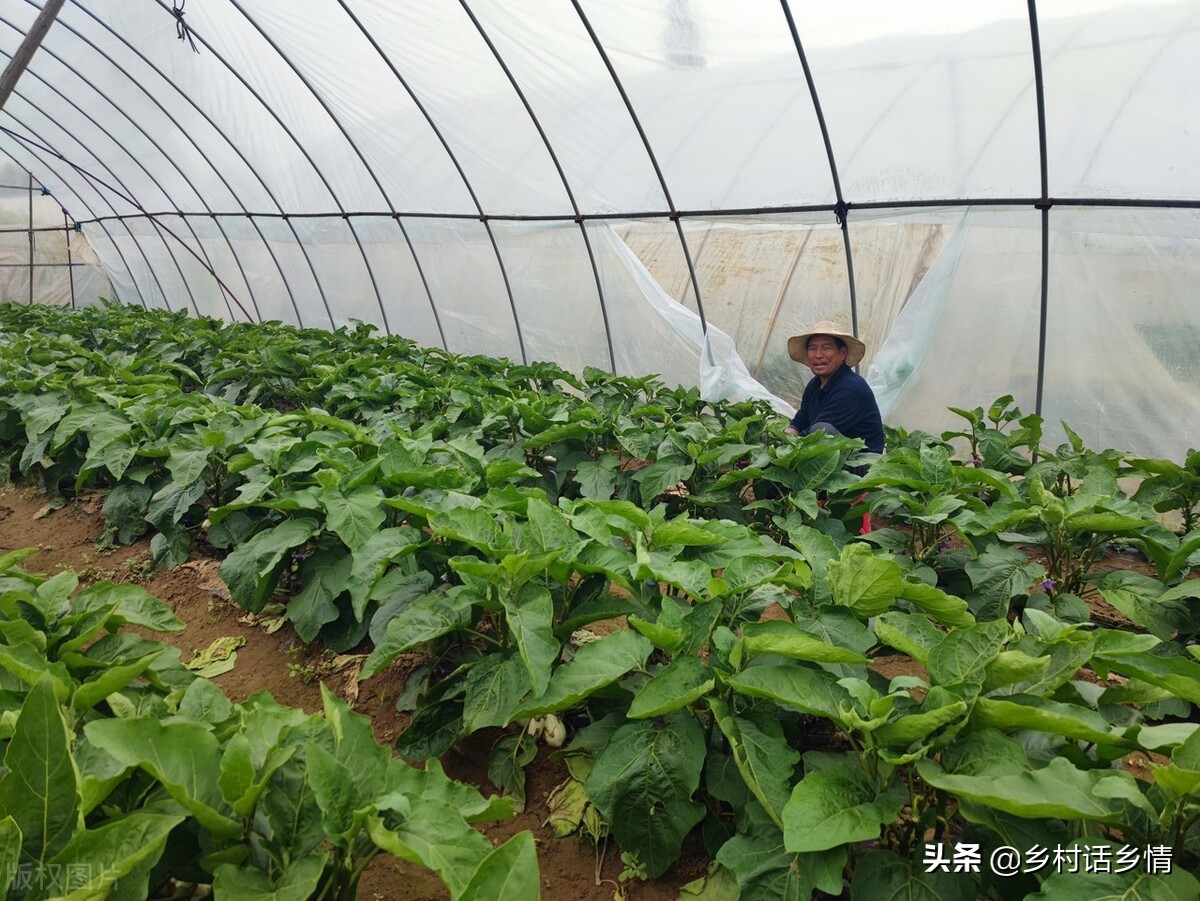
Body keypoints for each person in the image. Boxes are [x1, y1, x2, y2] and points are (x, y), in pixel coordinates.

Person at [785, 320, 885, 455]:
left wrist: (784, 446)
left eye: (826, 348)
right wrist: (786, 434)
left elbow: (816, 435)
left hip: (860, 463)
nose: (818, 354)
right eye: (812, 348)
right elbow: (801, 419)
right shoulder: (815, 384)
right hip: (835, 455)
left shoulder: (850, 389)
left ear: (842, 353)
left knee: (822, 430)